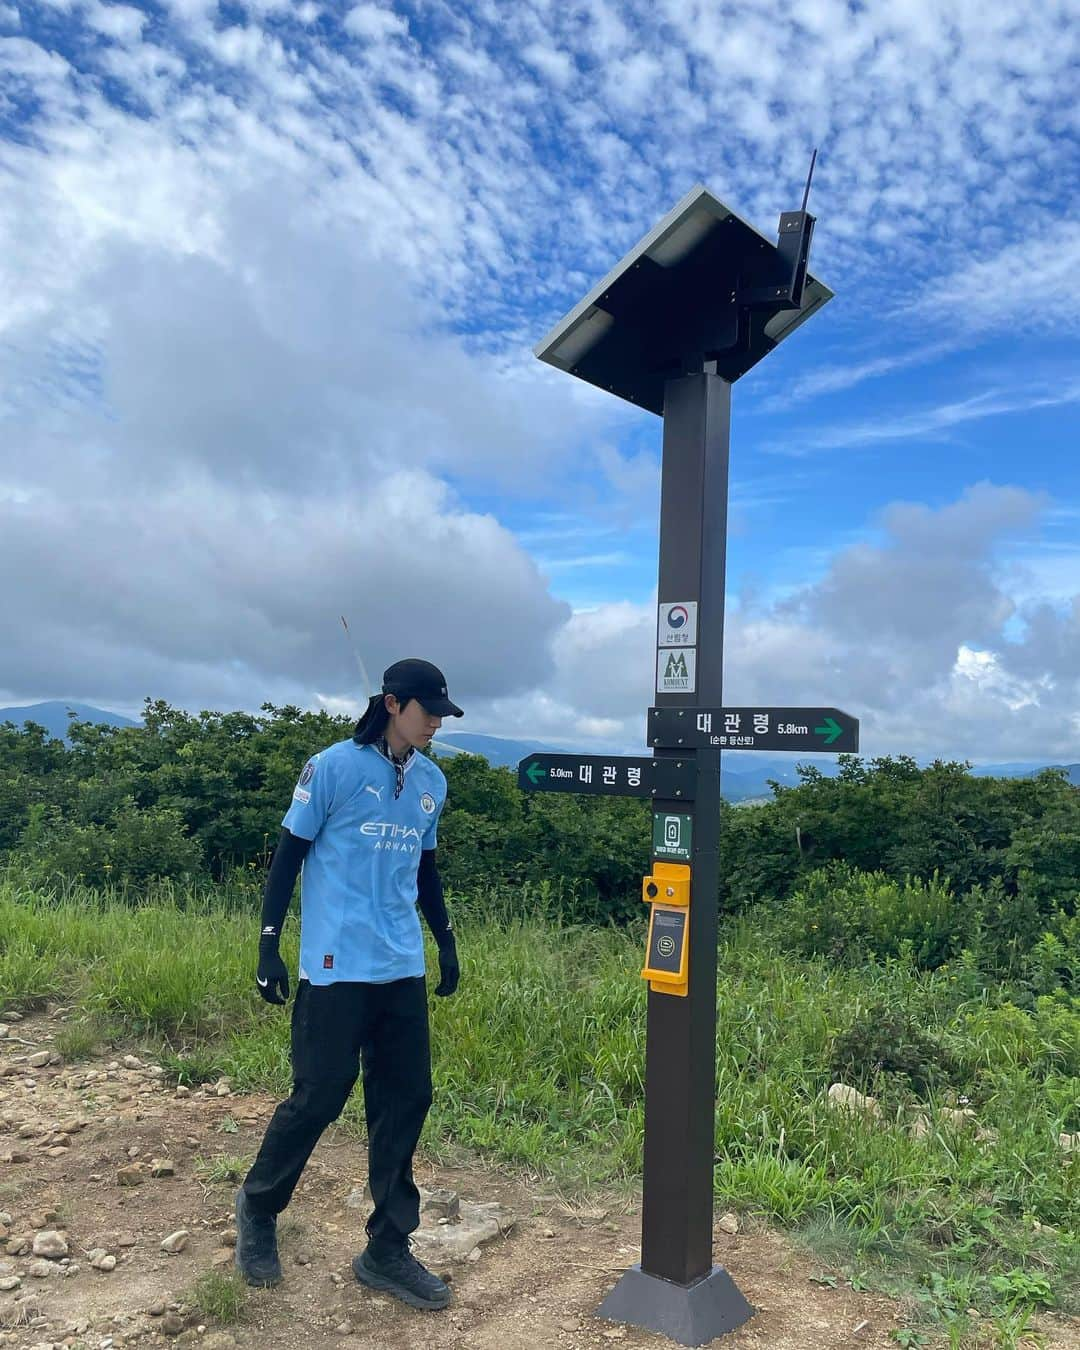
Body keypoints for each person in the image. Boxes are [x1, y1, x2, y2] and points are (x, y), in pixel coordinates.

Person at [234, 658, 463, 1312]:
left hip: (400, 968)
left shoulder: (430, 782)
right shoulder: (331, 768)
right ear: (393, 703)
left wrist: (444, 941)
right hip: (335, 967)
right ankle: (257, 1208)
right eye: (429, 710)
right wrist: (269, 945)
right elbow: (288, 857)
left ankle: (387, 1248)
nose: (437, 723)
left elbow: (425, 872)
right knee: (320, 1093)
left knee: (406, 1097)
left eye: (443, 713)